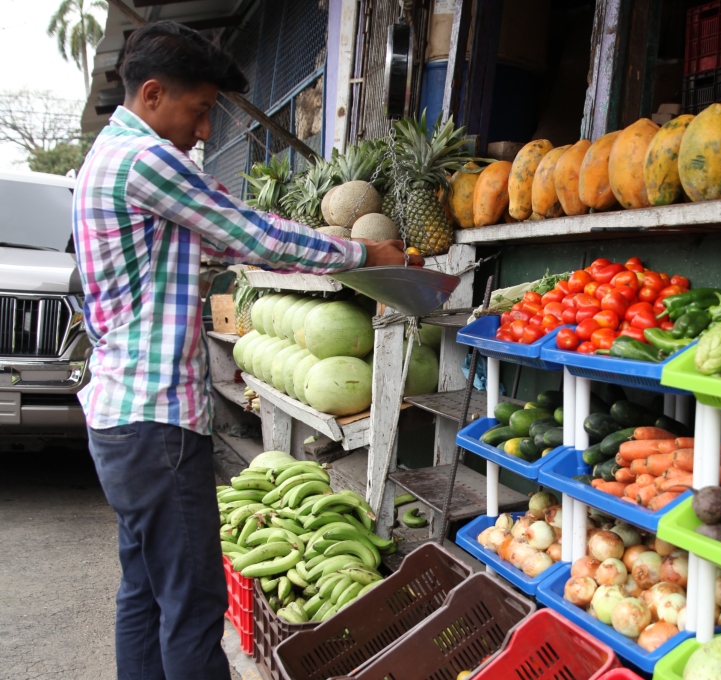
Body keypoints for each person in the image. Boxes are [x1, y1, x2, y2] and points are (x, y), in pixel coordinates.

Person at [72, 21, 417, 680]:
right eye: (199, 111)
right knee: (194, 607)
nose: (205, 131)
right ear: (152, 94)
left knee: (144, 595)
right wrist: (360, 255)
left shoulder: (107, 158)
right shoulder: (146, 161)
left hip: (121, 418)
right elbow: (250, 231)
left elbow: (220, 243)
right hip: (155, 420)